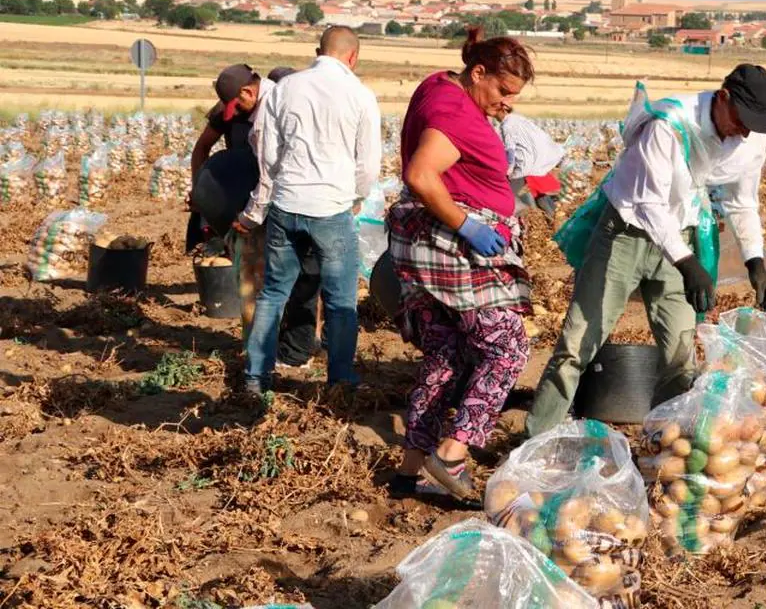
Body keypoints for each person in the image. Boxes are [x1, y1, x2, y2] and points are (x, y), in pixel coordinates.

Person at [524, 64, 766, 438]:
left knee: (681, 354)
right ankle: (535, 441)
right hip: (626, 235)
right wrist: (689, 263)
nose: (744, 132)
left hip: (680, 239)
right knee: (578, 345)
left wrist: (755, 261)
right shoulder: (668, 124)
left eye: (754, 125)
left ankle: (664, 448)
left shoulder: (750, 137)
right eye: (742, 120)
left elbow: (742, 202)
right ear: (723, 98)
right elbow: (648, 204)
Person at [387, 28, 535, 501]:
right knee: (506, 347)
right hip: (450, 246)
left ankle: (409, 472)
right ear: (478, 73)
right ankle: (453, 453)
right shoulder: (454, 110)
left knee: (446, 356)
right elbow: (421, 175)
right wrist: (466, 224)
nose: (507, 104)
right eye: (503, 91)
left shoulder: (439, 87)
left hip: (424, 244)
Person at [238, 26, 381, 394]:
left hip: (286, 204)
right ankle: (340, 380)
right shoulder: (360, 95)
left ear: (318, 50)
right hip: (332, 209)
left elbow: (267, 153)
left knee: (273, 292)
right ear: (353, 56)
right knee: (340, 301)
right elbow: (368, 164)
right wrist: (356, 197)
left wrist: (267, 199)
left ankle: (256, 376)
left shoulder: (285, 88)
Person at [187, 65, 323, 368]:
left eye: (239, 106)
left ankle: (302, 344)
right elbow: (202, 147)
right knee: (252, 277)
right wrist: (201, 191)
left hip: (277, 203)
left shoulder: (273, 111)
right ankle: (256, 346)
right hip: (244, 202)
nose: (237, 112)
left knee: (302, 277)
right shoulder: (231, 109)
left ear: (250, 91)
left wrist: (252, 214)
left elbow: (271, 174)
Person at [500, 112, 565, 218]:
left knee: (535, 196)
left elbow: (512, 155)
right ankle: (550, 218)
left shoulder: (512, 132)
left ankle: (548, 218)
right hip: (533, 172)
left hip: (530, 173)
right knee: (539, 196)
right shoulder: (528, 134)